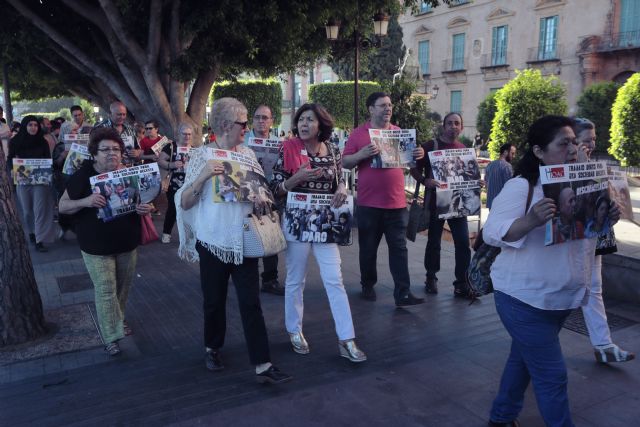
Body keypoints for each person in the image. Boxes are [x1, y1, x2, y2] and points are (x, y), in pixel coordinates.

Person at [483, 115, 621, 427]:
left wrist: (606, 216)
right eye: (564, 143)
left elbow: (585, 236)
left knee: (522, 361)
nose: (573, 148)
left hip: (561, 299)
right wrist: (530, 220)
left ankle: (501, 416)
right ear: (539, 151)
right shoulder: (522, 187)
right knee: (552, 377)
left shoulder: (584, 183)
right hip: (523, 299)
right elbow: (492, 232)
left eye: (575, 141)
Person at [175, 97, 291, 384]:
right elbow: (185, 202)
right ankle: (212, 347)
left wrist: (262, 198)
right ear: (226, 125)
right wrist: (202, 177)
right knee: (214, 301)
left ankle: (263, 364)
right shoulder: (202, 155)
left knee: (251, 302)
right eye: (243, 124)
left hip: (243, 240)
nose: (247, 128)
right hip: (213, 240)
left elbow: (260, 191)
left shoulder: (248, 155)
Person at [271, 103, 365, 361]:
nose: (303, 124)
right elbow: (275, 187)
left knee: (334, 279)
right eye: (301, 119)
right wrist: (296, 179)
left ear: (321, 125)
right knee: (295, 279)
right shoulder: (287, 148)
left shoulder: (333, 151)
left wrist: (343, 189)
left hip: (326, 221)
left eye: (310, 120)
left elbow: (339, 181)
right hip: (297, 221)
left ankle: (346, 339)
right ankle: (294, 330)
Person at [58, 127, 153, 356]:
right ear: (94, 153)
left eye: (116, 149)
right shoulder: (83, 175)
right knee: (105, 289)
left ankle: (116, 320)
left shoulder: (129, 173)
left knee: (122, 288)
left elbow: (146, 203)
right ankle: (110, 335)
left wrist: (145, 208)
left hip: (126, 242)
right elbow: (62, 206)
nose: (111, 154)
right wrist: (87, 201)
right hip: (95, 245)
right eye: (105, 150)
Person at [342, 92, 425, 306]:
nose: (388, 109)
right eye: (382, 105)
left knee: (399, 249)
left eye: (390, 105)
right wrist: (361, 154)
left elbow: (411, 165)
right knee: (368, 248)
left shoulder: (399, 133)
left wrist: (418, 154)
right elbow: (345, 163)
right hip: (369, 204)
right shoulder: (359, 134)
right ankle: (367, 284)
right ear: (371, 109)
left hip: (396, 204)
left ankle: (403, 292)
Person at [573, 117, 634, 363]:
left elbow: (604, 203)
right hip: (570, 243)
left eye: (594, 139)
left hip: (595, 238)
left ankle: (603, 345)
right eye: (586, 140)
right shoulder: (558, 167)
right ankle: (534, 345)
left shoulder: (596, 165)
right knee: (565, 290)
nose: (592, 144)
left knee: (595, 290)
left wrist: (615, 210)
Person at [410, 112, 477, 297]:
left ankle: (461, 283)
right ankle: (431, 277)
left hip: (457, 204)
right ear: (443, 126)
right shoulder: (431, 146)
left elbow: (468, 176)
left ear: (461, 127)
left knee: (463, 243)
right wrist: (425, 180)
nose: (453, 126)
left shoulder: (463, 149)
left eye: (457, 123)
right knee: (434, 243)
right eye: (450, 123)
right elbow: (413, 167)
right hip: (435, 204)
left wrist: (476, 183)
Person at [244, 105, 284, 296]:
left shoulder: (279, 144)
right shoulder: (241, 141)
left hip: (270, 196)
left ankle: (270, 279)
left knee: (270, 236)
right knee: (246, 235)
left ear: (271, 121)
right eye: (258, 117)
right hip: (245, 196)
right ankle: (244, 277)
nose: (262, 121)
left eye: (265, 118)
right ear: (253, 120)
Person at [7, 115, 56, 252]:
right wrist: (12, 168)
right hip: (23, 181)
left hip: (40, 181)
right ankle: (31, 233)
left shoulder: (43, 142)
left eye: (35, 125)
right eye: (30, 125)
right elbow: (10, 158)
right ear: (24, 126)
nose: (33, 128)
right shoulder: (15, 141)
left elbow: (47, 159)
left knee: (39, 210)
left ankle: (40, 239)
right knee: (27, 211)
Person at [158, 122, 193, 243]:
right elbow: (160, 160)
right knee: (173, 208)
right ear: (179, 134)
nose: (187, 137)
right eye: (184, 134)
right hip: (173, 182)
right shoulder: (171, 146)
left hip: (189, 183)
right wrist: (171, 164)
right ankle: (166, 233)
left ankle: (188, 235)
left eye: (189, 134)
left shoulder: (193, 149)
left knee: (188, 209)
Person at [485, 143, 516, 209]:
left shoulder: (490, 165)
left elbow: (486, 184)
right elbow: (510, 187)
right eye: (512, 153)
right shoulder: (507, 166)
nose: (514, 156)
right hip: (503, 204)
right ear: (505, 152)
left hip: (491, 204)